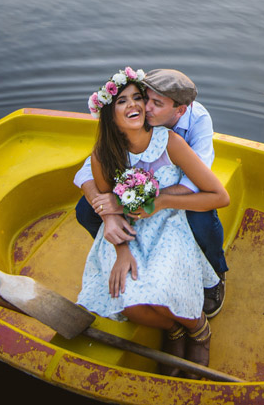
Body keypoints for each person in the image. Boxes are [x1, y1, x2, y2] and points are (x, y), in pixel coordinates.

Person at [75, 68, 229, 373]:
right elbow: (98, 187)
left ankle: (198, 326)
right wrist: (114, 231)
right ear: (109, 113)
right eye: (125, 101)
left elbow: (210, 191)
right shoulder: (105, 152)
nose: (140, 106)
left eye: (141, 100)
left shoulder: (181, 134)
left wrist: (157, 202)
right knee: (127, 301)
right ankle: (172, 330)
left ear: (178, 109)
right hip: (128, 228)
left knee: (169, 275)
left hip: (171, 214)